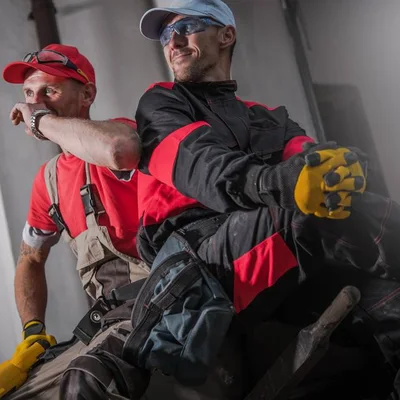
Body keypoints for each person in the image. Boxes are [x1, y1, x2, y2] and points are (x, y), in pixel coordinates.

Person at [129, 0, 400, 397]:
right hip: (204, 266)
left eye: (186, 27)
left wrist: (342, 168)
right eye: (168, 34)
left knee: (391, 306)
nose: (174, 41)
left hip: (278, 259)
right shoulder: (161, 104)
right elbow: (204, 170)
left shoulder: (269, 117)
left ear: (226, 34)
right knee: (308, 212)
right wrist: (286, 183)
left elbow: (313, 163)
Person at [0, 43, 151, 400]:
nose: (35, 102)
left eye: (48, 91)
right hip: (104, 322)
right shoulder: (48, 180)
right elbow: (30, 258)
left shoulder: (120, 137)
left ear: (87, 94)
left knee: (85, 383)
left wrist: (40, 120)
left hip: (156, 303)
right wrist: (32, 332)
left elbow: (117, 148)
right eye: (28, 94)